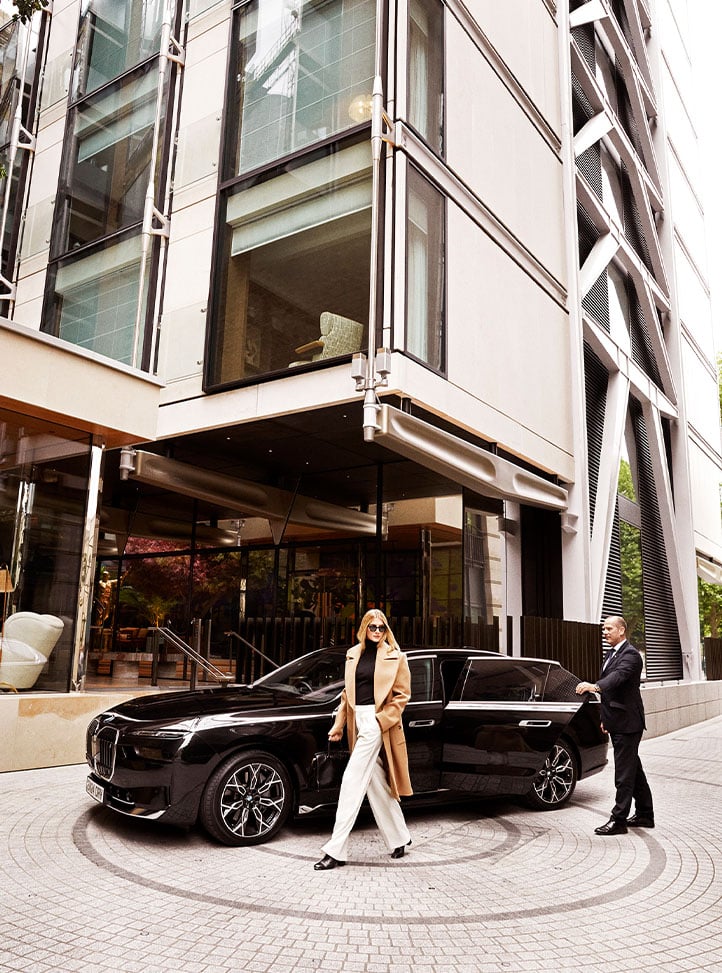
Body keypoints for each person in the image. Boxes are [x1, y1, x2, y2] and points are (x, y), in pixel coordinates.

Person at [314, 609, 413, 870]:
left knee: (351, 781)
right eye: (373, 627)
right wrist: (339, 725)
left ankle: (335, 849)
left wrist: (381, 721)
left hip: (377, 723)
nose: (377, 631)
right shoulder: (353, 655)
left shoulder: (396, 656)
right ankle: (399, 837)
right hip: (358, 722)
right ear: (364, 628)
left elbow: (402, 696)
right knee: (375, 782)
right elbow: (349, 696)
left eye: (382, 627)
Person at [576, 615, 654, 835]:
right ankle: (645, 814)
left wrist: (594, 686)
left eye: (609, 628)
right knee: (633, 770)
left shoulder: (631, 655)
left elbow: (617, 679)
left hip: (629, 723)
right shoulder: (611, 654)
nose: (605, 632)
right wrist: (605, 718)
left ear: (622, 631)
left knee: (623, 774)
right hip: (618, 721)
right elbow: (613, 693)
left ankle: (618, 820)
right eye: (604, 629)